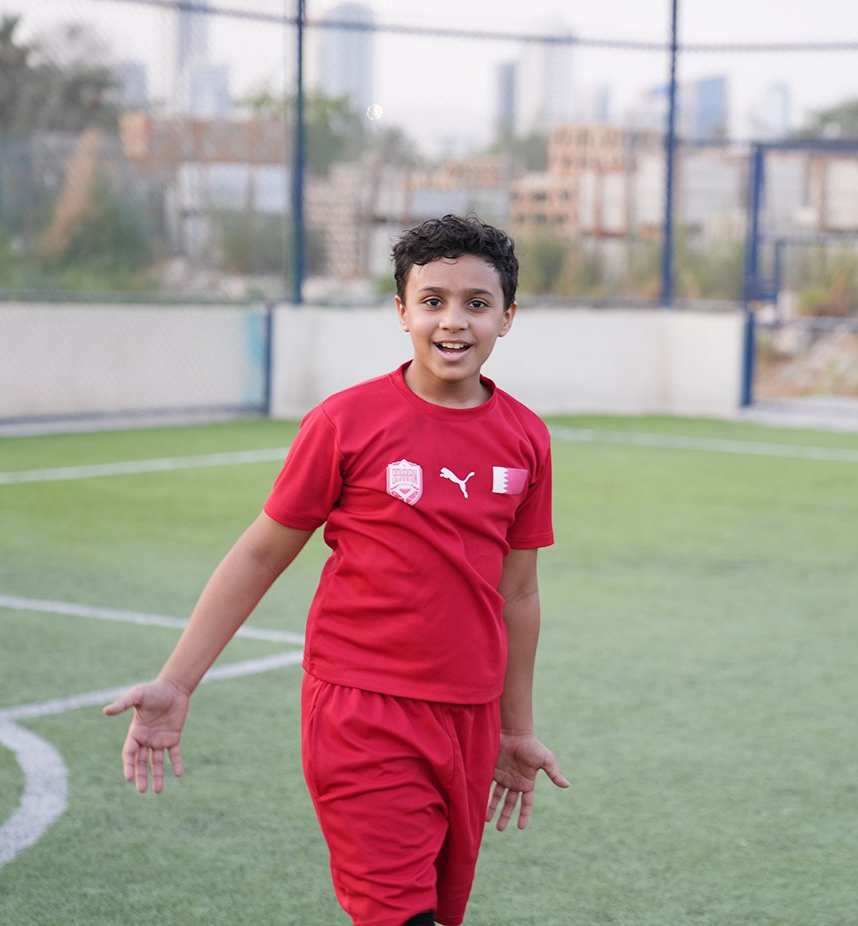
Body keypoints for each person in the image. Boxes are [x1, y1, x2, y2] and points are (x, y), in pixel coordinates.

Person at [105, 214, 569, 926]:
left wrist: (514, 728)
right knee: (397, 915)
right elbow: (260, 553)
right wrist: (176, 681)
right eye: (433, 300)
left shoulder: (525, 437)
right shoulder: (344, 423)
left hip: (470, 716)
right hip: (363, 710)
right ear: (401, 311)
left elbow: (519, 593)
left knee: (438, 913)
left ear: (507, 317)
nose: (453, 320)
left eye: (476, 303)